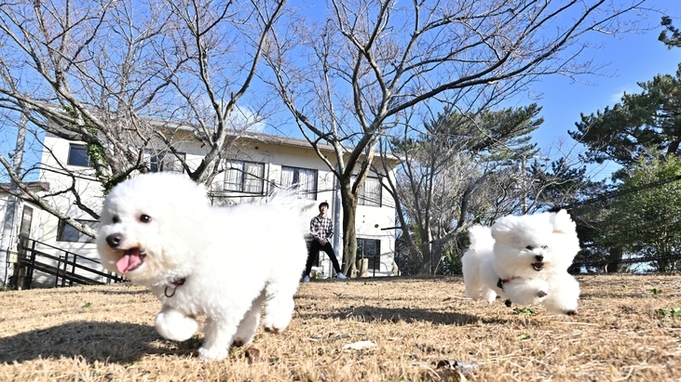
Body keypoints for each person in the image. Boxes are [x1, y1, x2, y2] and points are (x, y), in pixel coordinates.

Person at [303, 202, 347, 282]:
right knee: (311, 258)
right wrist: (319, 239)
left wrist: (326, 239)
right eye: (322, 207)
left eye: (325, 207)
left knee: (333, 257)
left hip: (325, 241)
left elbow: (331, 231)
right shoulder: (314, 219)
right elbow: (312, 231)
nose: (323, 209)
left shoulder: (329, 221)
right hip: (316, 241)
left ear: (327, 209)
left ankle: (339, 273)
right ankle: (306, 275)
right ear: (319, 209)